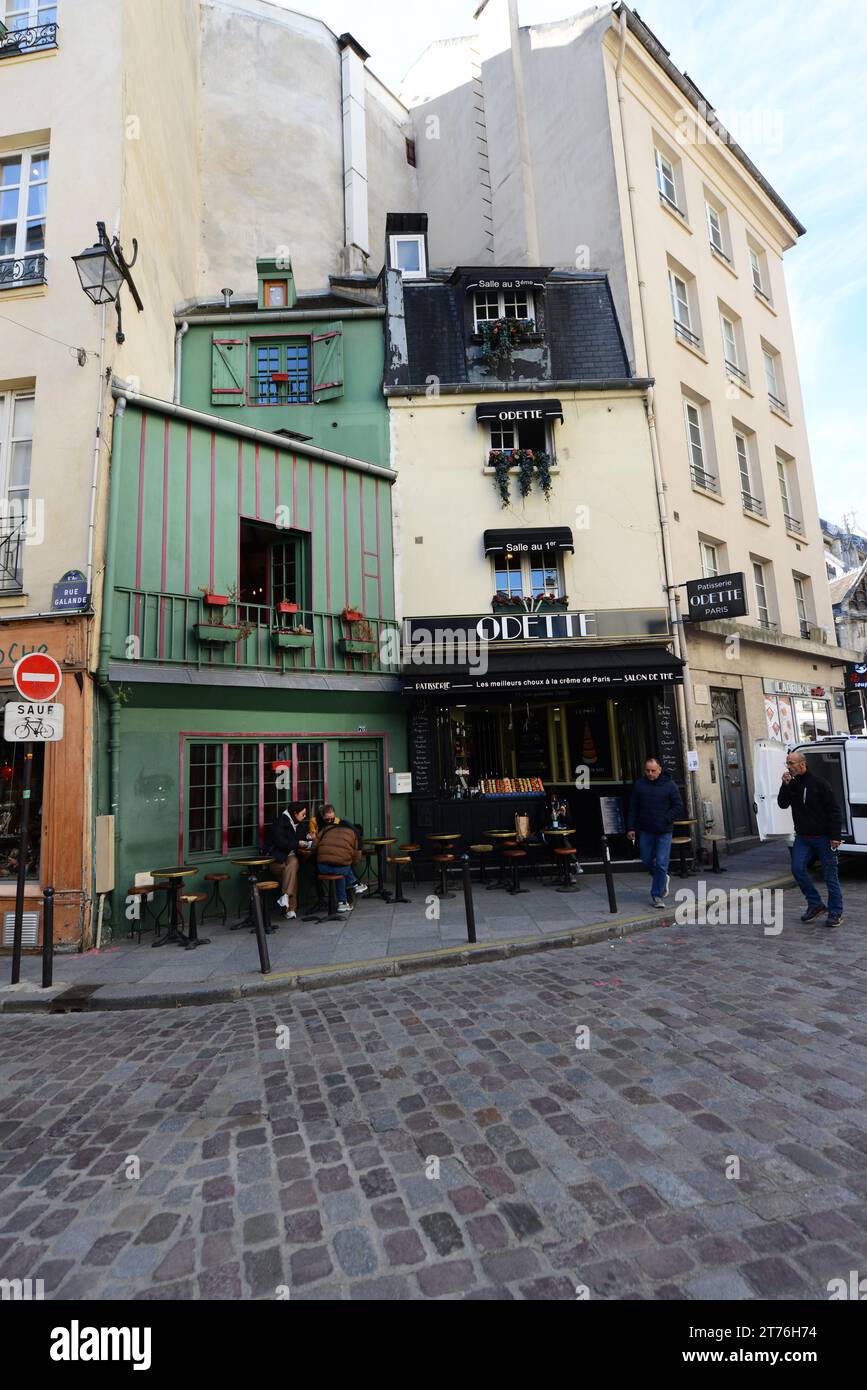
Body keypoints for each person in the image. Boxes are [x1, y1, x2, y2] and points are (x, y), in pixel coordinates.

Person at [777, 751, 844, 926]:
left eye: (791, 763)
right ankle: (815, 905)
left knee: (830, 876)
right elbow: (782, 804)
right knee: (797, 869)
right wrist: (784, 786)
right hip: (803, 838)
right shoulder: (792, 784)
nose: (788, 766)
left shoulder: (819, 784)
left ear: (802, 764)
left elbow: (834, 810)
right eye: (787, 763)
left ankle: (835, 913)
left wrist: (835, 836)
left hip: (823, 837)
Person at [626, 757, 684, 909]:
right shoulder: (640, 785)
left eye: (653, 770)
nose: (650, 773)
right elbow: (633, 807)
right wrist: (631, 828)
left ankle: (657, 895)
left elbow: (678, 806)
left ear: (659, 769)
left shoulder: (670, 785)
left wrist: (666, 818)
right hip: (645, 829)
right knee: (646, 860)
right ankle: (662, 878)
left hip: (664, 830)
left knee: (661, 862)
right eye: (647, 771)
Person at [265, 801, 312, 920]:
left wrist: (308, 837)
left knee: (293, 865)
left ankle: (285, 897)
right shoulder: (279, 822)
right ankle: (290, 909)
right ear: (295, 813)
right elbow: (280, 843)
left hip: (290, 856)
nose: (305, 816)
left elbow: (302, 835)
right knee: (291, 874)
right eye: (303, 814)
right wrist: (298, 843)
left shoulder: (299, 823)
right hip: (277, 858)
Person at [312, 814, 364, 914]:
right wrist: (350, 864)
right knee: (343, 866)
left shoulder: (326, 829)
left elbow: (314, 846)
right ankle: (355, 883)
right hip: (342, 868)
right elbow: (357, 857)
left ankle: (343, 903)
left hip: (322, 868)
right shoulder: (354, 833)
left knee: (341, 870)